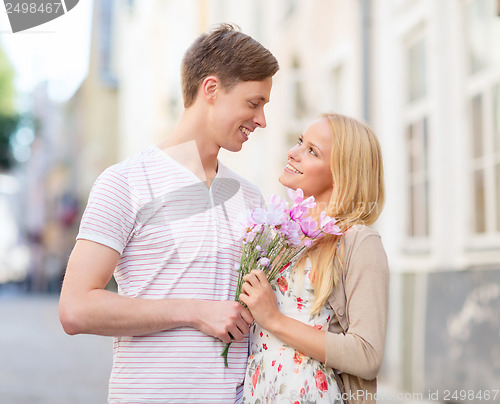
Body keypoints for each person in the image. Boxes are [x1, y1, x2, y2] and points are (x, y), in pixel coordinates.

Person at [59, 24, 279, 403]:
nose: (261, 120)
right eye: (253, 103)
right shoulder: (125, 182)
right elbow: (76, 308)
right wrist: (194, 311)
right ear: (211, 90)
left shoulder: (252, 198)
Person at [239, 113, 389, 404]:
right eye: (299, 142)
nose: (293, 153)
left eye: (311, 151)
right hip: (261, 392)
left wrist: (274, 319)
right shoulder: (281, 235)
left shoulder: (358, 241)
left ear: (342, 173)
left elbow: (367, 355)